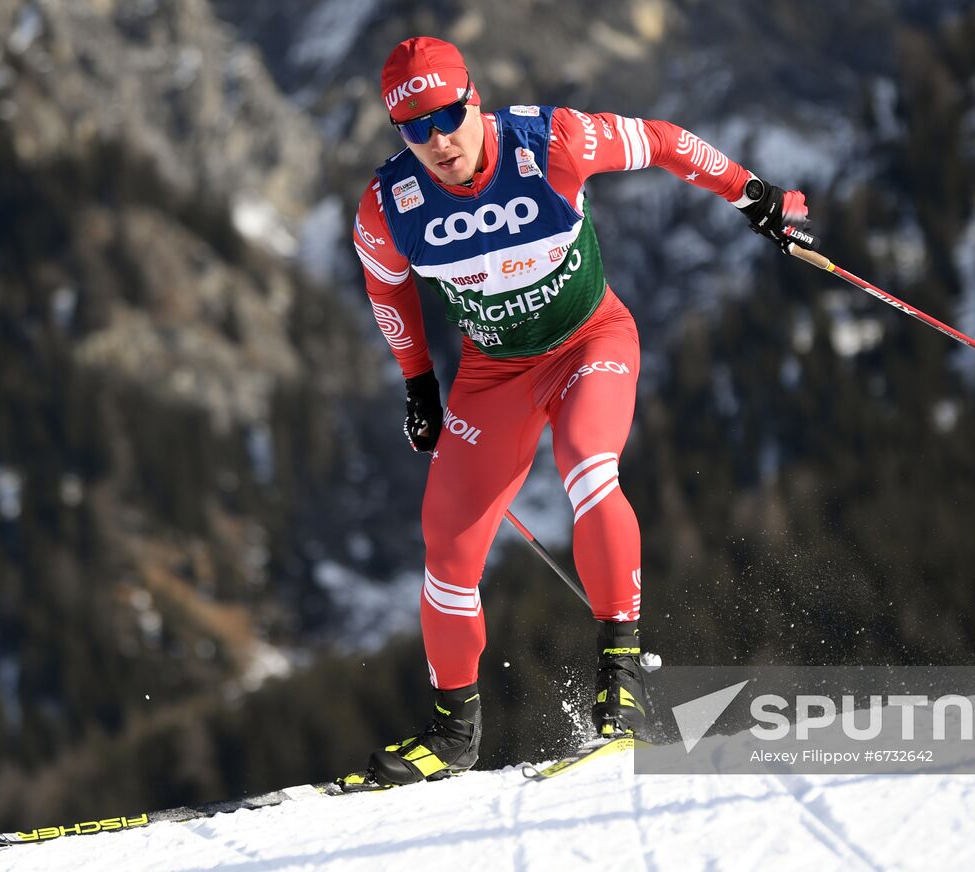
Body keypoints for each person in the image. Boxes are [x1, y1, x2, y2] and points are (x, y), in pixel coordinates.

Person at [346, 35, 808, 786]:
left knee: (589, 467)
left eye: (447, 116)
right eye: (414, 128)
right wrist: (418, 384)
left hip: (590, 338)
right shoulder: (388, 204)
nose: (437, 140)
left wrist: (755, 195)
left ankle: (620, 693)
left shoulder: (551, 141)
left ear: (475, 100)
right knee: (448, 549)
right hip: (494, 374)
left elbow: (663, 142)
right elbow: (385, 288)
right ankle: (453, 734)